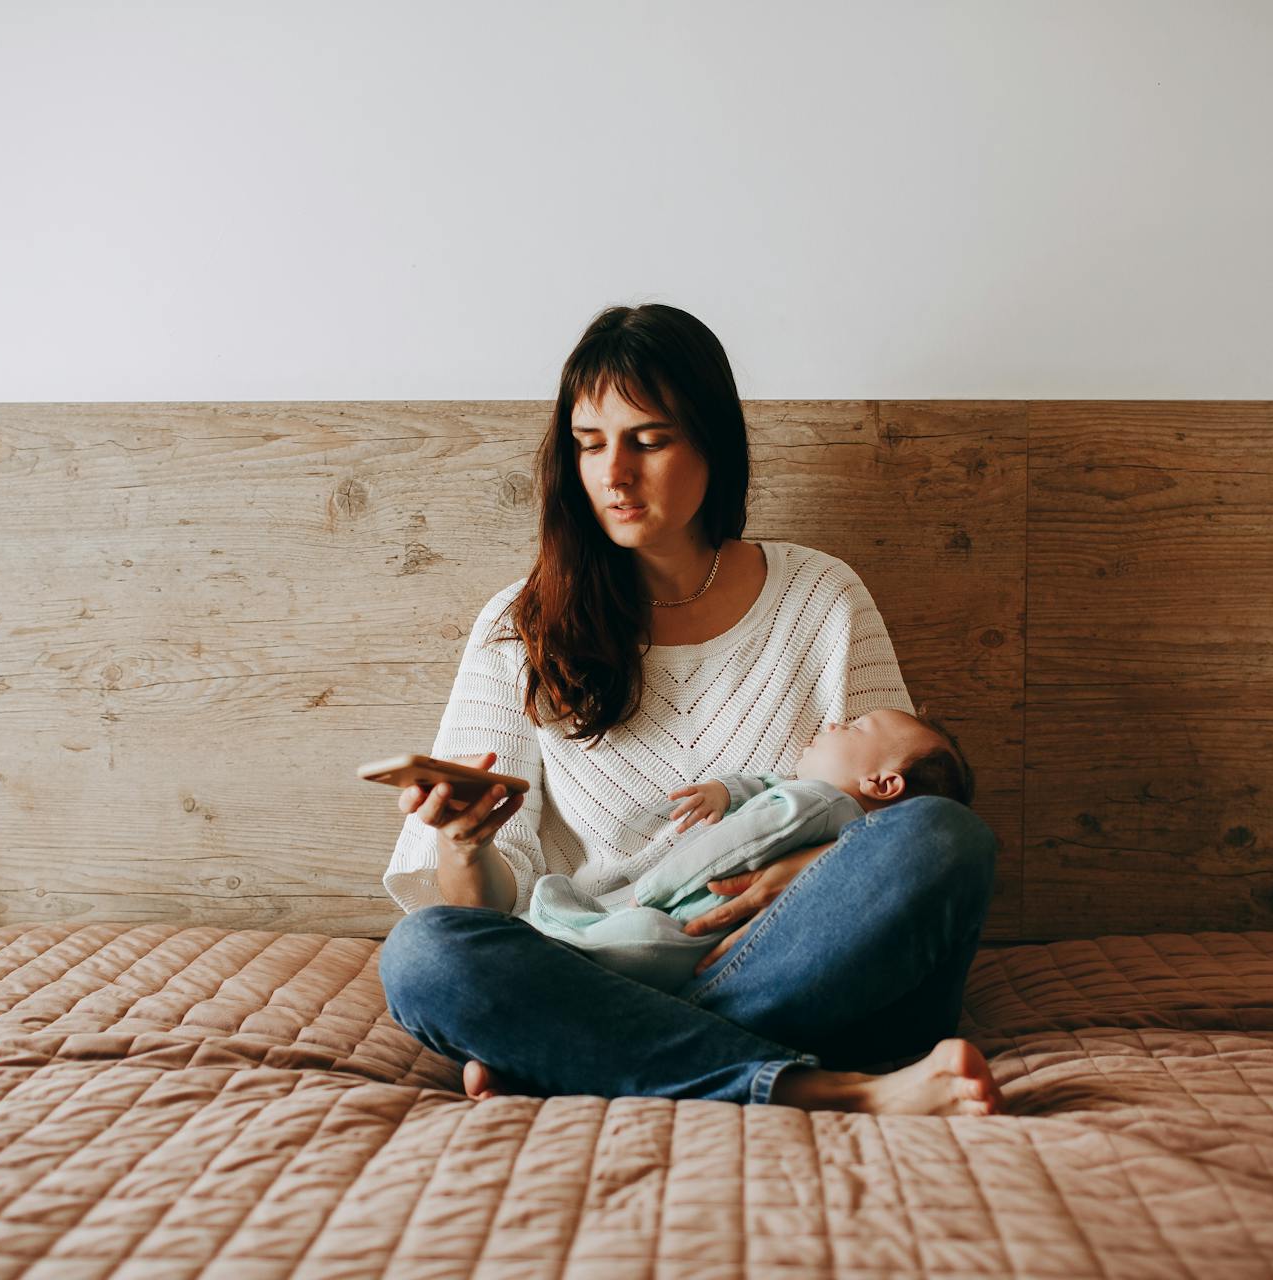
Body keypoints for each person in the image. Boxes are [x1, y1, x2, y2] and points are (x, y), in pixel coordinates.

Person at [377, 303, 1001, 1117]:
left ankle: (585, 1052)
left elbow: (905, 811)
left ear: (713, 440)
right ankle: (821, 1085)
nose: (613, 474)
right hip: (610, 957)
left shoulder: (822, 597)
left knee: (951, 836)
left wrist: (802, 873)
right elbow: (483, 914)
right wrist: (466, 839)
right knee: (424, 955)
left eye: (649, 439)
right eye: (589, 443)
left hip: (798, 964)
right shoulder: (519, 628)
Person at [525, 708, 975, 992]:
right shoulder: (837, 821)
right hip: (709, 958)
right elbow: (769, 788)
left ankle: (557, 925)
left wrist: (652, 889)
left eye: (856, 727)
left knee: (628, 936)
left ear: (881, 782)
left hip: (673, 923)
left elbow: (730, 845)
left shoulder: (821, 802)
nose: (834, 722)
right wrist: (726, 791)